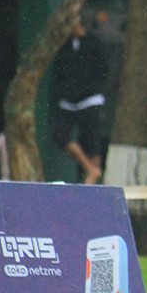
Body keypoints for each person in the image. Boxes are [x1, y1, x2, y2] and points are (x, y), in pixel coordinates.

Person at [52, 14, 109, 184]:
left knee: (92, 141)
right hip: (69, 101)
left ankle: (90, 185)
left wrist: (92, 87)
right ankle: (90, 169)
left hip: (89, 100)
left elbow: (104, 69)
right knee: (60, 135)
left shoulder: (94, 42)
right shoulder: (65, 46)